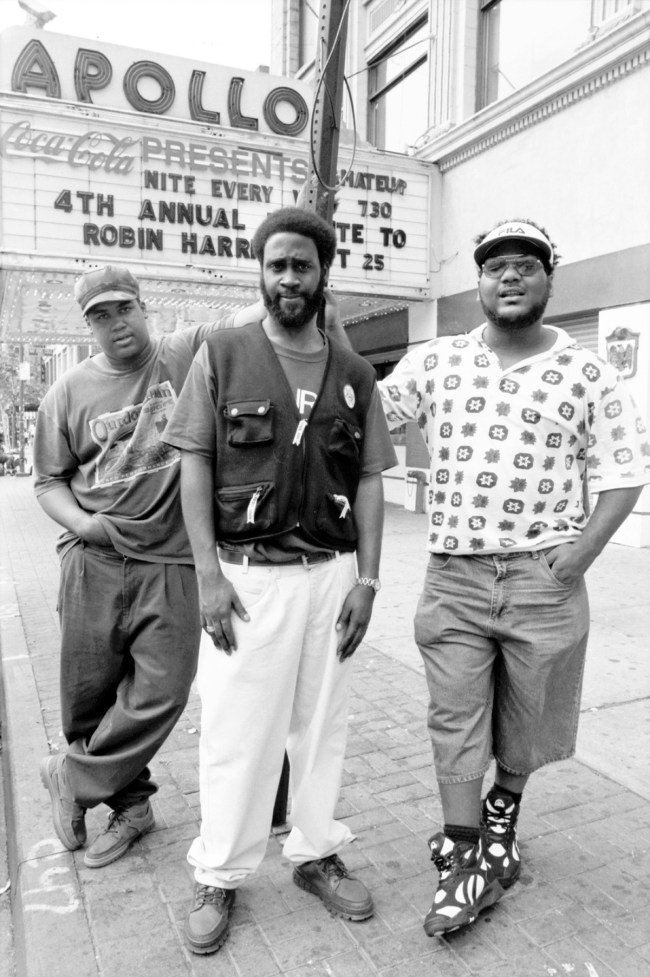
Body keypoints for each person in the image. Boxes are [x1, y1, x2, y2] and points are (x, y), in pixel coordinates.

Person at [376, 220, 650, 936]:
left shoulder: (591, 372)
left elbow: (624, 473)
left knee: (531, 718)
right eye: (497, 265)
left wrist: (581, 554)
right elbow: (364, 414)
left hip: (545, 577)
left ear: (548, 280)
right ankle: (463, 858)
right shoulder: (435, 361)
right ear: (479, 283)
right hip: (457, 578)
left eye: (526, 264)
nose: (511, 276)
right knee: (455, 716)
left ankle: (502, 818)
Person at [162, 206, 397, 955]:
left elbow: (367, 479)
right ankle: (221, 873)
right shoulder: (222, 354)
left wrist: (369, 579)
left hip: (330, 578)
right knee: (238, 733)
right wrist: (206, 574)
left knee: (323, 724)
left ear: (325, 273)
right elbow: (192, 462)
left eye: (301, 264)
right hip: (247, 580)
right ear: (259, 272)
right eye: (276, 265)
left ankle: (314, 850)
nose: (288, 277)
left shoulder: (356, 374)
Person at [33, 264, 237, 869]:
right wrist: (84, 524)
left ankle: (70, 777)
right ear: (88, 324)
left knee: (164, 690)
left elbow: (244, 319)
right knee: (88, 693)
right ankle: (132, 806)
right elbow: (48, 481)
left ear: (144, 308)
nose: (115, 323)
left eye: (123, 309)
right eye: (100, 315)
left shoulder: (182, 353)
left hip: (172, 560)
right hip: (94, 557)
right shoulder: (67, 392)